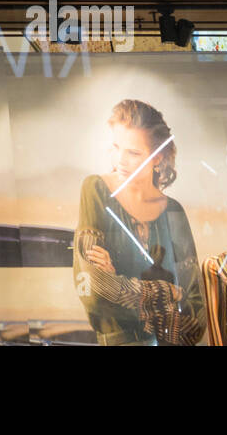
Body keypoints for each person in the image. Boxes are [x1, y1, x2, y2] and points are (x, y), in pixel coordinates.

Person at [73, 99, 204, 345]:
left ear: (158, 158)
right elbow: (95, 291)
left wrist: (120, 284)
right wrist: (169, 294)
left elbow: (195, 317)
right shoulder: (96, 190)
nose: (120, 160)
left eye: (133, 152)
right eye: (115, 147)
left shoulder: (174, 211)